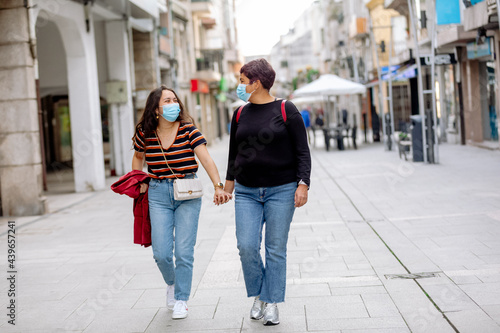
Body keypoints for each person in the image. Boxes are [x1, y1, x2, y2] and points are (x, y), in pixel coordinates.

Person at [131, 85, 232, 320]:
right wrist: (139, 181)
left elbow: (206, 159)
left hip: (187, 192)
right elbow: (137, 158)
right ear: (155, 109)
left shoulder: (188, 130)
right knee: (161, 252)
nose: (173, 104)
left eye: (174, 100)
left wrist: (218, 187)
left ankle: (182, 299)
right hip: (157, 193)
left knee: (184, 252)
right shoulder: (145, 133)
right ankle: (172, 283)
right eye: (167, 101)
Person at [224, 59, 311, 326]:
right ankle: (262, 295)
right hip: (246, 192)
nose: (239, 85)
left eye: (242, 81)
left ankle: (270, 302)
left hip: (281, 190)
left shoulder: (286, 109)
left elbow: (302, 151)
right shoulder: (239, 114)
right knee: (246, 246)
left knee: (275, 249)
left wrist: (303, 183)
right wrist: (227, 185)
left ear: (256, 82)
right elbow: (233, 153)